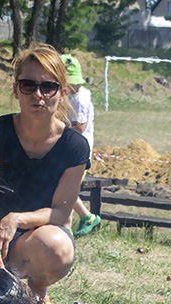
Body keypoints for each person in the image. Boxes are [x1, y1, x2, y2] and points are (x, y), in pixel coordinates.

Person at [0, 43, 90, 300]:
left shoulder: (74, 146)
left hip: (39, 237)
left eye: (48, 86)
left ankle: (35, 294)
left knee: (56, 246)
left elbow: (60, 212)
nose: (38, 94)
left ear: (62, 93)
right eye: (28, 85)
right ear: (16, 90)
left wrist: (16, 219)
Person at [61, 53, 100, 238]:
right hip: (68, 150)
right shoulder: (71, 96)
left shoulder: (80, 99)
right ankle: (79, 220)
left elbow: (80, 128)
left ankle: (79, 221)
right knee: (63, 188)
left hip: (78, 152)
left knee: (66, 189)